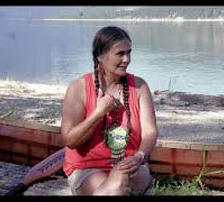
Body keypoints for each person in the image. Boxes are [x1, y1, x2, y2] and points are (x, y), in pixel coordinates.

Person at [61, 26, 158, 195]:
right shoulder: (78, 88)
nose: (127, 59)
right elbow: (70, 140)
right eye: (120, 54)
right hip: (88, 170)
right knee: (117, 186)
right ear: (100, 56)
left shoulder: (140, 86)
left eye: (129, 52)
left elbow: (150, 132)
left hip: (133, 168)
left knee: (120, 176)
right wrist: (99, 113)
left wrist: (139, 156)